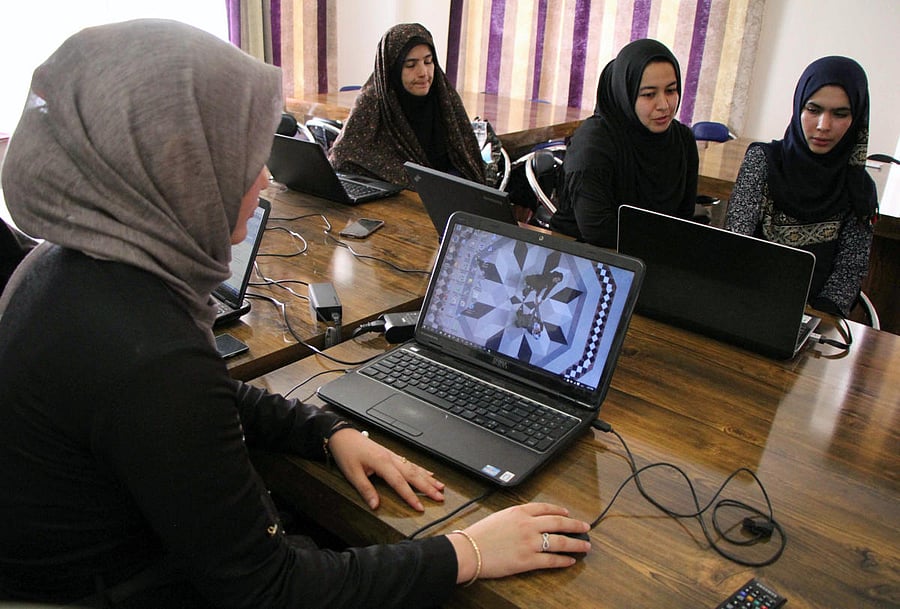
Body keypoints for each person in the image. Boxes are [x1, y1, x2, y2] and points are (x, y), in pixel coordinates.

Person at [0, 19, 590, 608]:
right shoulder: (149, 352)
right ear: (180, 169)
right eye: (242, 158)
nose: (263, 177)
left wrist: (327, 431)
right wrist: (468, 551)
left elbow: (208, 398)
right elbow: (270, 589)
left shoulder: (72, 264)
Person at [725, 56, 878, 317]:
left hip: (814, 316)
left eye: (840, 114)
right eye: (813, 110)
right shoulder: (763, 161)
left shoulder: (858, 188)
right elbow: (735, 244)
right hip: (745, 303)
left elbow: (849, 272)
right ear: (798, 108)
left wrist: (815, 319)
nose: (823, 126)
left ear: (857, 118)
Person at [550, 38, 698, 248]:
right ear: (625, 93)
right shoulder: (593, 142)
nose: (664, 105)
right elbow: (598, 230)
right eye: (649, 94)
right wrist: (666, 241)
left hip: (653, 254)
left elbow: (684, 218)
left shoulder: (682, 140)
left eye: (671, 90)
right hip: (583, 253)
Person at [329, 23, 486, 188]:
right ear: (393, 69)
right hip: (391, 198)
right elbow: (341, 158)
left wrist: (443, 186)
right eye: (411, 65)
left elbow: (467, 162)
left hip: (445, 195)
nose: (423, 73)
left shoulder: (444, 98)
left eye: (428, 62)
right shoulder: (373, 101)